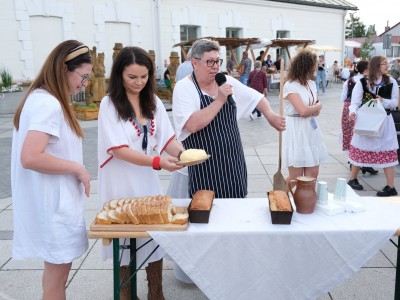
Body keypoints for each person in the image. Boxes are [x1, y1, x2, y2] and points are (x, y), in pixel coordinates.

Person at [98, 46, 184, 299]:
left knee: (154, 231)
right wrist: (158, 162)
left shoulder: (153, 101)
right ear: (119, 75)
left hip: (147, 176)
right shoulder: (109, 103)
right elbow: (119, 150)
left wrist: (184, 155)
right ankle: (126, 294)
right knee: (124, 237)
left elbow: (167, 138)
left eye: (144, 76)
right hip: (120, 179)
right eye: (132, 77)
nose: (139, 82)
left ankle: (155, 293)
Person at [11, 40, 92, 299]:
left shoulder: (40, 98)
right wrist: (77, 168)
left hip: (51, 205)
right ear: (64, 70)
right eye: (83, 76)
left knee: (52, 279)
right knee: (56, 281)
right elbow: (31, 156)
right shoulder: (48, 104)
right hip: (54, 207)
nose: (85, 84)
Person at [172, 38, 285, 199]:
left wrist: (270, 115)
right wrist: (219, 100)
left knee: (236, 212)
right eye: (210, 62)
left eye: (218, 61)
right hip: (204, 169)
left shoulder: (225, 81)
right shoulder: (184, 88)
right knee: (205, 211)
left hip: (233, 163)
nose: (216, 66)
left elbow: (256, 97)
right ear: (194, 63)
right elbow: (192, 124)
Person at [347, 56, 399, 195]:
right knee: (361, 148)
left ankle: (390, 187)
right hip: (366, 120)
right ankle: (352, 179)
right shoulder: (362, 82)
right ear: (376, 65)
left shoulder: (391, 81)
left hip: (384, 122)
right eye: (384, 64)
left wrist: (383, 101)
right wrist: (352, 113)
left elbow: (394, 103)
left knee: (387, 151)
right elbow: (355, 102)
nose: (387, 66)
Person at [282, 49, 328, 184]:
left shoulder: (311, 84)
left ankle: (305, 203)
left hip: (311, 128)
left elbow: (313, 111)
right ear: (306, 66)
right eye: (314, 65)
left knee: (312, 174)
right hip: (296, 128)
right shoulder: (290, 85)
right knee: (295, 178)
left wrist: (314, 109)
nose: (316, 68)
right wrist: (318, 106)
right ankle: (279, 196)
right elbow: (302, 111)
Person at [340, 60, 379, 177]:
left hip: (349, 108)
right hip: (366, 109)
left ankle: (355, 162)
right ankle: (364, 164)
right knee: (365, 136)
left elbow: (343, 97)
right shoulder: (370, 82)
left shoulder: (349, 81)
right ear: (366, 70)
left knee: (352, 135)